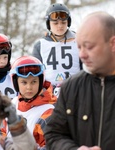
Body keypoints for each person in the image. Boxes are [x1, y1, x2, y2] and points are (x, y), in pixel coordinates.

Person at [44, 11, 115, 150]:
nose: (82, 54)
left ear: (113, 43)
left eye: (89, 47)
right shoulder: (71, 87)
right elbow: (53, 135)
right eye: (79, 47)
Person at [32, 3, 82, 97]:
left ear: (68, 23)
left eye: (63, 23)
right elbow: (35, 74)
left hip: (76, 92)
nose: (60, 26)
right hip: (49, 95)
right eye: (55, 23)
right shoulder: (40, 45)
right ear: (49, 24)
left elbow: (85, 68)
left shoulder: (79, 41)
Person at [10, 56, 57, 149]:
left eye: (34, 82)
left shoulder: (47, 112)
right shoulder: (13, 104)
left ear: (40, 82)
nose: (29, 87)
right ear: (16, 83)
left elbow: (51, 146)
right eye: (24, 82)